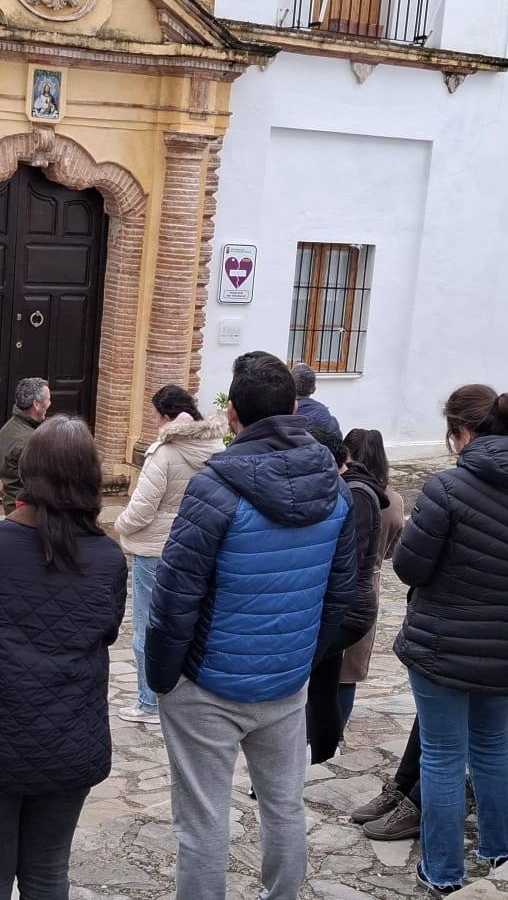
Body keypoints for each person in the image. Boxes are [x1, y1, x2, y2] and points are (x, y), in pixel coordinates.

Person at [147, 351, 370, 900]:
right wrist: (302, 656)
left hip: (209, 683)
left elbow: (176, 593)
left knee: (202, 820)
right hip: (284, 683)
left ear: (232, 415)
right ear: (294, 408)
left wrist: (163, 677)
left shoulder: (215, 488)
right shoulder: (335, 487)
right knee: (284, 805)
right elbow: (342, 591)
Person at [392, 386, 508, 894]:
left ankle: (443, 872)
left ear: (461, 433)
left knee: (442, 755)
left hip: (440, 643)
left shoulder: (446, 489)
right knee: (492, 745)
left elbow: (409, 566)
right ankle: (506, 851)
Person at [0, 416, 127, 900]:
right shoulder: (107, 558)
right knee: (47, 873)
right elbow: (106, 630)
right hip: (67, 738)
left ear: (28, 472)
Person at [111, 384, 224, 725]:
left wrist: (120, 525)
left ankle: (148, 702)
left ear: (165, 416)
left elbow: (142, 508)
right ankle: (188, 699)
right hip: (199, 545)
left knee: (148, 625)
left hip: (156, 548)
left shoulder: (164, 453)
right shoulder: (217, 448)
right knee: (191, 621)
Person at [303, 427, 389, 765]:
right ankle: (322, 755)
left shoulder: (355, 495)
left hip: (347, 609)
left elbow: (347, 560)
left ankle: (295, 758)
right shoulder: (346, 488)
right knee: (323, 683)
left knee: (298, 679)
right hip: (339, 606)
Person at [335, 429, 404, 733]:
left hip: (339, 580)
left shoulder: (341, 490)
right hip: (369, 582)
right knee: (350, 669)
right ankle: (337, 730)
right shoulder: (393, 499)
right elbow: (392, 547)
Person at [0, 377, 52, 515]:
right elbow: (42, 482)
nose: (50, 403)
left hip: (13, 504)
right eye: (48, 400)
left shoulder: (10, 426)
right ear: (37, 404)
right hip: (26, 511)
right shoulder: (29, 442)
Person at [292, 363, 340, 436]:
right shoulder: (325, 415)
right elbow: (337, 440)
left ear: (291, 386)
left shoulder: (281, 413)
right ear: (314, 388)